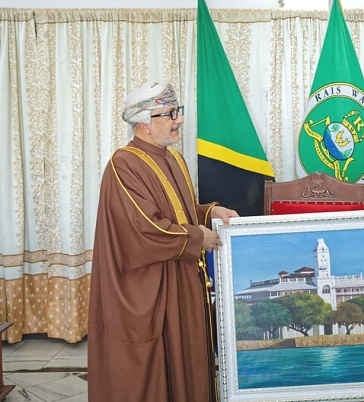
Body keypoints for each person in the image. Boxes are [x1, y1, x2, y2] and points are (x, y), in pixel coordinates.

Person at [87, 82, 238, 402]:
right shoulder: (123, 164)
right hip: (152, 287)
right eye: (170, 114)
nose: (179, 120)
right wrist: (198, 237)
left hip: (181, 279)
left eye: (177, 111)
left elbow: (177, 211)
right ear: (144, 124)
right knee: (158, 370)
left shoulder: (174, 159)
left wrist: (209, 212)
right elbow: (144, 229)